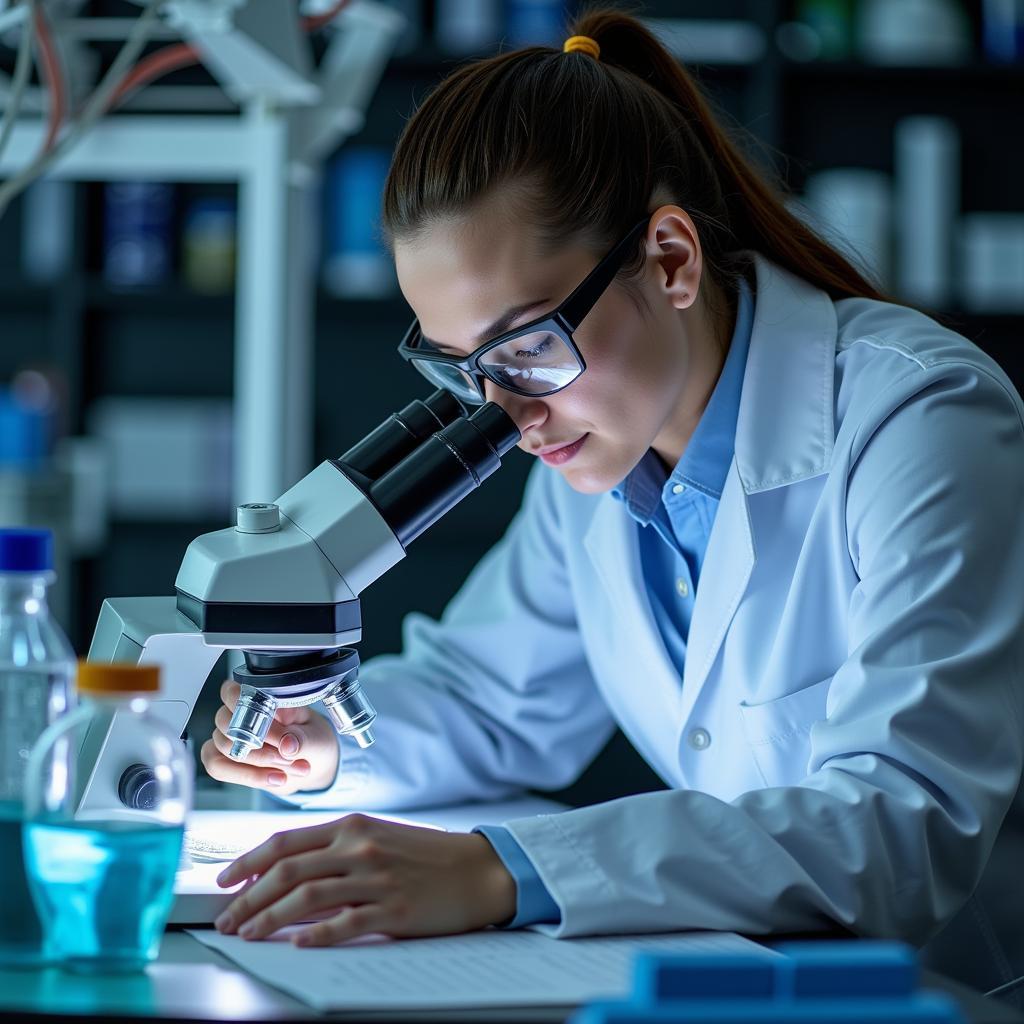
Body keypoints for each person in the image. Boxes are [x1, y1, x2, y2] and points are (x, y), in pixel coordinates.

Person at [200, 10, 1024, 1001]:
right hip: (730, 982)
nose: (506, 416)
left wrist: (502, 870)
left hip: (927, 993)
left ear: (669, 260)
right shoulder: (597, 456)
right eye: (464, 368)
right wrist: (323, 744)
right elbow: (491, 705)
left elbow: (899, 824)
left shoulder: (918, 415)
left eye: (526, 345)